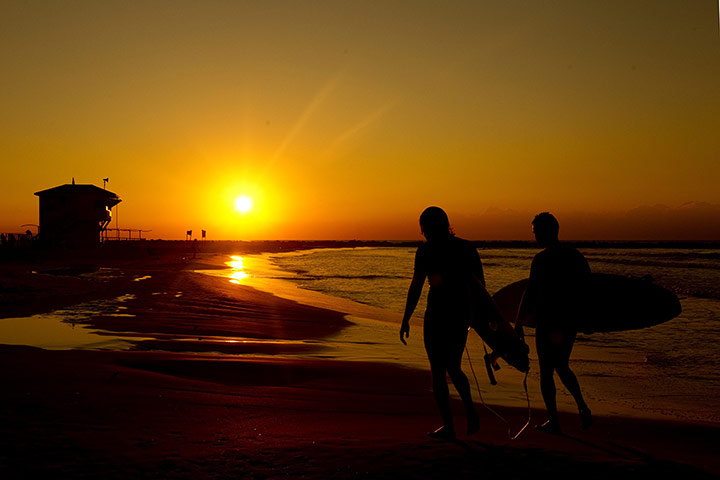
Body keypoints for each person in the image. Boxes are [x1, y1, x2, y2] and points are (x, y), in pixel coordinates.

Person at [399, 206, 485, 440]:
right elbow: (481, 287)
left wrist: (406, 318)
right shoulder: (466, 248)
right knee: (451, 367)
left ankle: (451, 425)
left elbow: (417, 285)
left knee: (440, 370)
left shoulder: (427, 251)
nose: (424, 233)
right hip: (455, 315)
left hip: (440, 315)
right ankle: (466, 413)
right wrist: (478, 318)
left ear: (429, 227)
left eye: (425, 229)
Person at [516, 212, 592, 434]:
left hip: (548, 320)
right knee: (562, 365)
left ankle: (554, 420)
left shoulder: (541, 259)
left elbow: (529, 293)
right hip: (569, 320)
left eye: (536, 232)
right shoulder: (575, 256)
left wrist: (518, 321)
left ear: (545, 232)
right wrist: (587, 318)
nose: (535, 237)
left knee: (547, 370)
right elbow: (588, 288)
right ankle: (581, 406)